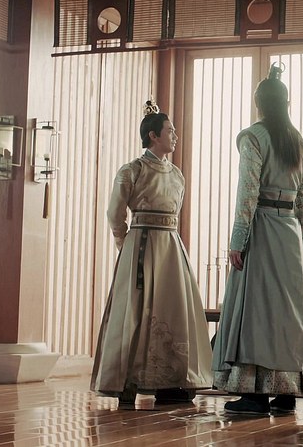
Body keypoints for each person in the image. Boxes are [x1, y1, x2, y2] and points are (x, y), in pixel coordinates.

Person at [91, 101, 213, 405]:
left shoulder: (177, 175)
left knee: (174, 309)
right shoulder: (132, 170)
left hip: (170, 247)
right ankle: (127, 381)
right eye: (170, 131)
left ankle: (173, 381)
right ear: (153, 136)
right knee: (136, 310)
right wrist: (124, 242)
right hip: (142, 244)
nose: (175, 136)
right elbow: (114, 212)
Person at [212, 63, 303, 415]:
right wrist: (299, 237)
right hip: (289, 233)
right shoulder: (301, 145)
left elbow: (247, 192)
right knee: (287, 313)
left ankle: (254, 394)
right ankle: (287, 392)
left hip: (262, 228)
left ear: (259, 104)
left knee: (256, 310)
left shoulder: (253, 138)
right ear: (286, 103)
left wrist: (237, 240)